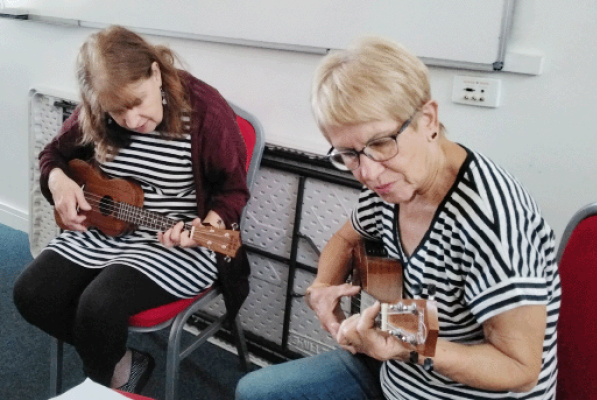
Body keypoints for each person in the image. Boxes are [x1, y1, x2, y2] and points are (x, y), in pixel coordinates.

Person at [235, 36, 560, 400]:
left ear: (428, 120)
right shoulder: (390, 188)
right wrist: (322, 289)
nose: (368, 173)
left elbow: (521, 370)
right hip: (397, 375)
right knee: (254, 392)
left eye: (381, 143)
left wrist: (410, 347)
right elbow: (347, 238)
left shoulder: (494, 223)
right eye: (349, 153)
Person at [13, 25, 250, 394]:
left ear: (156, 73)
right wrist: (58, 181)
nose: (132, 121)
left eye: (138, 102)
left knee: (98, 307)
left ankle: (100, 387)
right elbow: (53, 155)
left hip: (179, 241)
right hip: (108, 227)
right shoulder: (101, 105)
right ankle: (123, 365)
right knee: (31, 294)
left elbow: (233, 192)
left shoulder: (205, 110)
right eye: (117, 112)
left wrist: (205, 226)